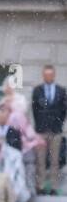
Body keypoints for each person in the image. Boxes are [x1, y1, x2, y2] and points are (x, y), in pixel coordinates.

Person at [31, 64, 66, 194]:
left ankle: (54, 187)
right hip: (41, 130)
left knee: (55, 160)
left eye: (50, 74)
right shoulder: (37, 90)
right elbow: (35, 110)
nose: (48, 77)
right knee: (40, 160)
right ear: (43, 75)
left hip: (55, 130)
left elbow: (63, 110)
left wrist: (58, 124)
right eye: (46, 74)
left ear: (54, 75)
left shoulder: (61, 91)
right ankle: (40, 186)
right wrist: (40, 124)